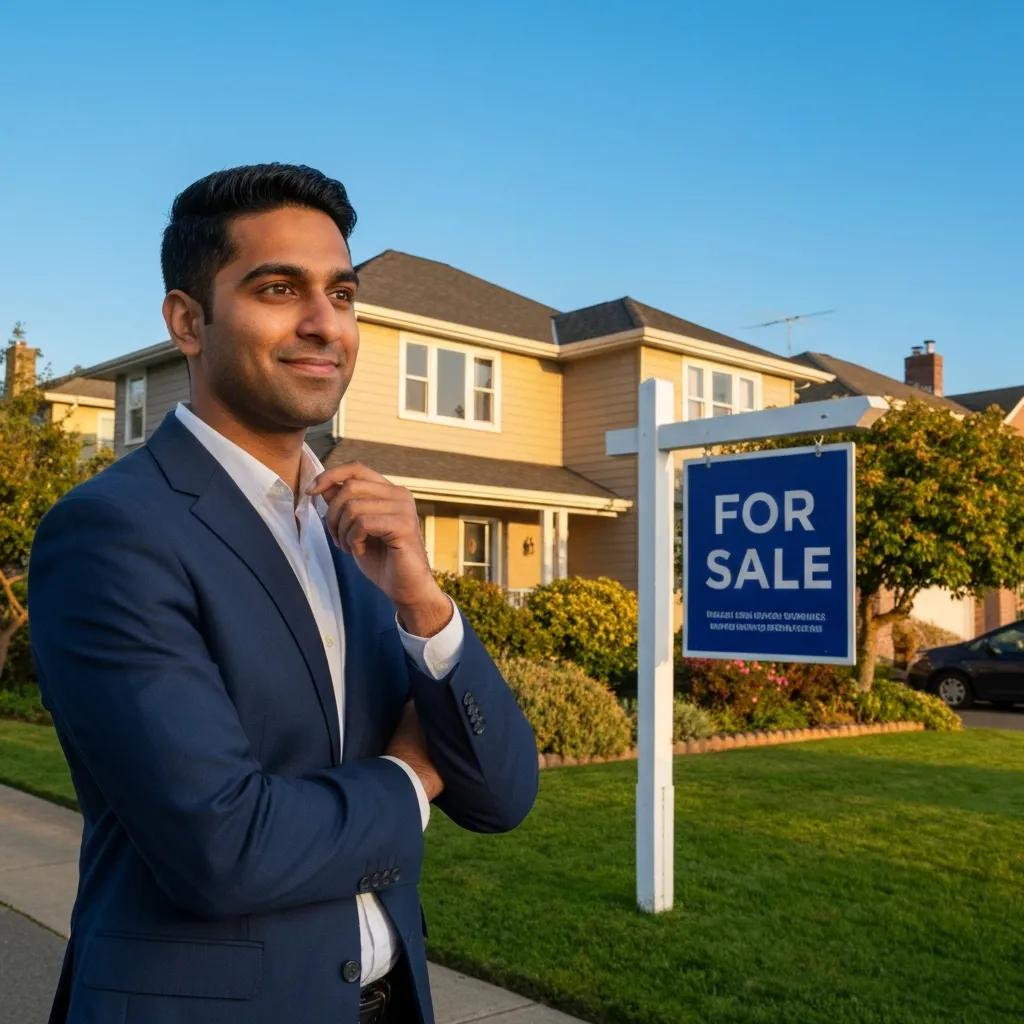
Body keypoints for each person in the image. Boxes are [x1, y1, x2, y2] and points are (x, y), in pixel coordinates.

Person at [28, 163, 539, 1024]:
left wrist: (424, 604)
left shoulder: (361, 534)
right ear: (188, 320)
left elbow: (502, 796)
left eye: (342, 295)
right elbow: (221, 846)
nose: (322, 323)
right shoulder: (114, 533)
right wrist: (412, 776)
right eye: (278, 288)